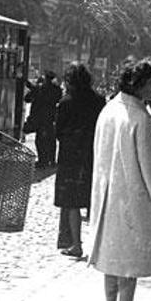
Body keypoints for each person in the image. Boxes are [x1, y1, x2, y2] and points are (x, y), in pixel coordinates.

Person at [88, 59, 151, 301]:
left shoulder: (109, 110)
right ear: (138, 85)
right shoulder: (140, 118)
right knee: (129, 268)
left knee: (111, 265)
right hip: (132, 202)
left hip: (107, 200)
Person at [54, 62, 105, 257]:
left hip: (70, 158)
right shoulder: (99, 101)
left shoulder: (66, 102)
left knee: (72, 202)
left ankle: (76, 244)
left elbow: (58, 131)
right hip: (94, 154)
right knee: (96, 200)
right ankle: (99, 246)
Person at [25, 70, 62, 167]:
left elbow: (27, 98)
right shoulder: (57, 89)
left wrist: (34, 87)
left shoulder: (39, 88)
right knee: (51, 140)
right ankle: (52, 160)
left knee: (40, 140)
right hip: (51, 118)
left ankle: (43, 160)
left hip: (40, 118)